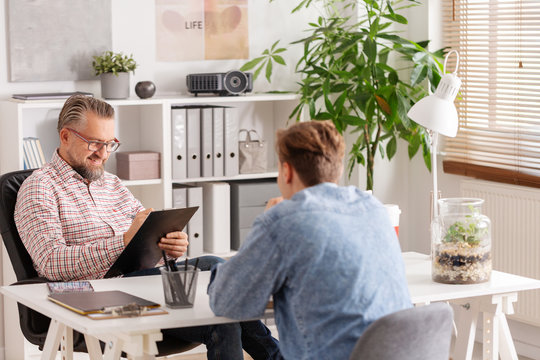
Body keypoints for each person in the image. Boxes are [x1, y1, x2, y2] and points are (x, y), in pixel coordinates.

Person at [14, 94, 280, 360]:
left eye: (110, 144)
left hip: (142, 289)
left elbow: (143, 237)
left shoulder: (113, 185)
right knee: (214, 267)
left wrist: (170, 245)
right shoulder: (40, 187)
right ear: (65, 136)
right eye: (94, 143)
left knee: (223, 314)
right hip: (91, 296)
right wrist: (124, 241)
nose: (104, 153)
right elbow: (51, 262)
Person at [207, 120, 412, 360]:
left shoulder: (282, 220)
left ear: (287, 171)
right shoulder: (373, 208)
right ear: (338, 167)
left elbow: (226, 302)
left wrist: (266, 221)